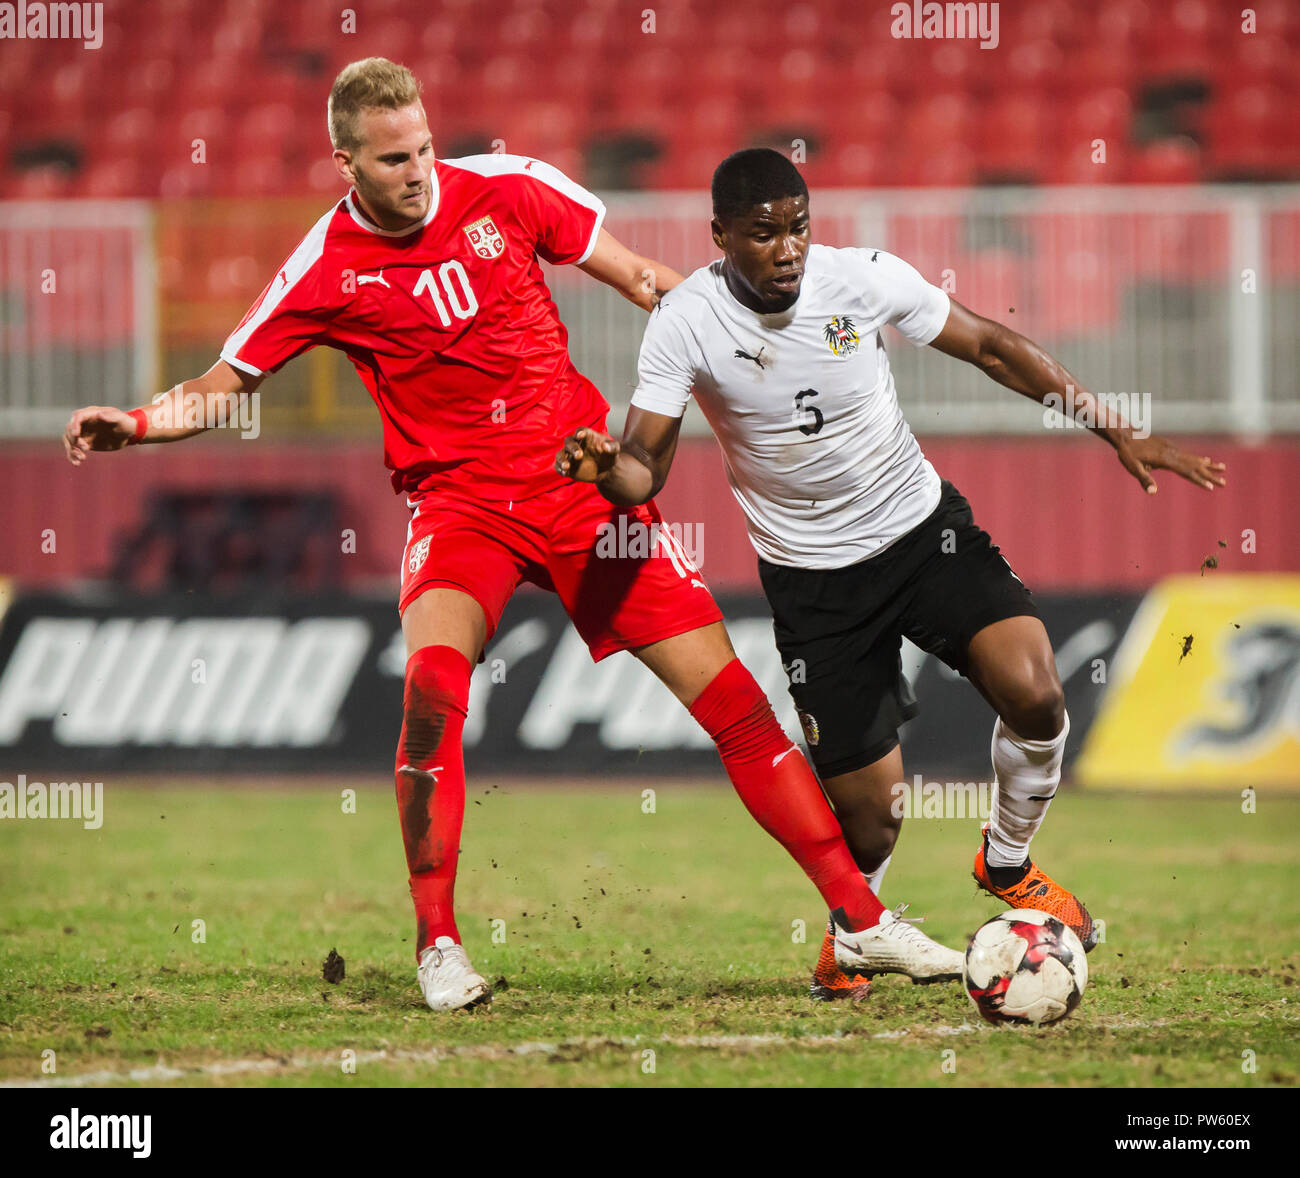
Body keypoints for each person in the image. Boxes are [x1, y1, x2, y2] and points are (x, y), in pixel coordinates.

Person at [63, 68, 962, 1012]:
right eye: (393, 159)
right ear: (346, 163)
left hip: (580, 486)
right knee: (433, 691)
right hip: (460, 509)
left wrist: (755, 344)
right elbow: (226, 381)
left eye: (421, 147)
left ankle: (862, 920)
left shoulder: (510, 188)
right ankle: (439, 946)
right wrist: (138, 420)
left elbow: (647, 281)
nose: (418, 172)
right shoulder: (325, 266)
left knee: (733, 700)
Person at [556, 147, 1227, 1000]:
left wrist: (1113, 424)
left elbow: (988, 345)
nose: (789, 249)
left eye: (799, 228)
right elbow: (645, 469)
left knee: (1037, 693)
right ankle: (856, 926)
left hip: (923, 537)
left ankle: (1009, 862)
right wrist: (603, 470)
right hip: (814, 584)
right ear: (719, 235)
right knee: (873, 822)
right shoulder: (684, 322)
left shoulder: (862, 279)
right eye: (764, 235)